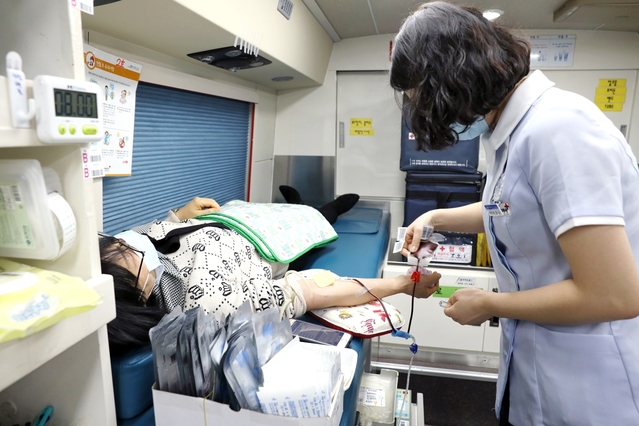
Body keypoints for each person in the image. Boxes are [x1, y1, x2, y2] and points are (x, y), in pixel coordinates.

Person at [390, 2, 639, 425]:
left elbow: (615, 294)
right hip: (539, 367)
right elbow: (507, 208)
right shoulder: (514, 130)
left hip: (591, 387)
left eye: (428, 101)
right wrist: (434, 219)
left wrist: (492, 302)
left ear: (455, 81)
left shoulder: (560, 129)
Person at [100, 194, 442, 356]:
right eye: (122, 251)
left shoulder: (134, 250)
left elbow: (145, 239)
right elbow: (314, 290)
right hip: (274, 241)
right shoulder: (209, 305)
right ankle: (327, 208)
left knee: (282, 204)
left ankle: (295, 201)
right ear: (140, 292)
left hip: (235, 216)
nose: (125, 242)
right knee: (313, 217)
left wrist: (177, 217)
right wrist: (401, 284)